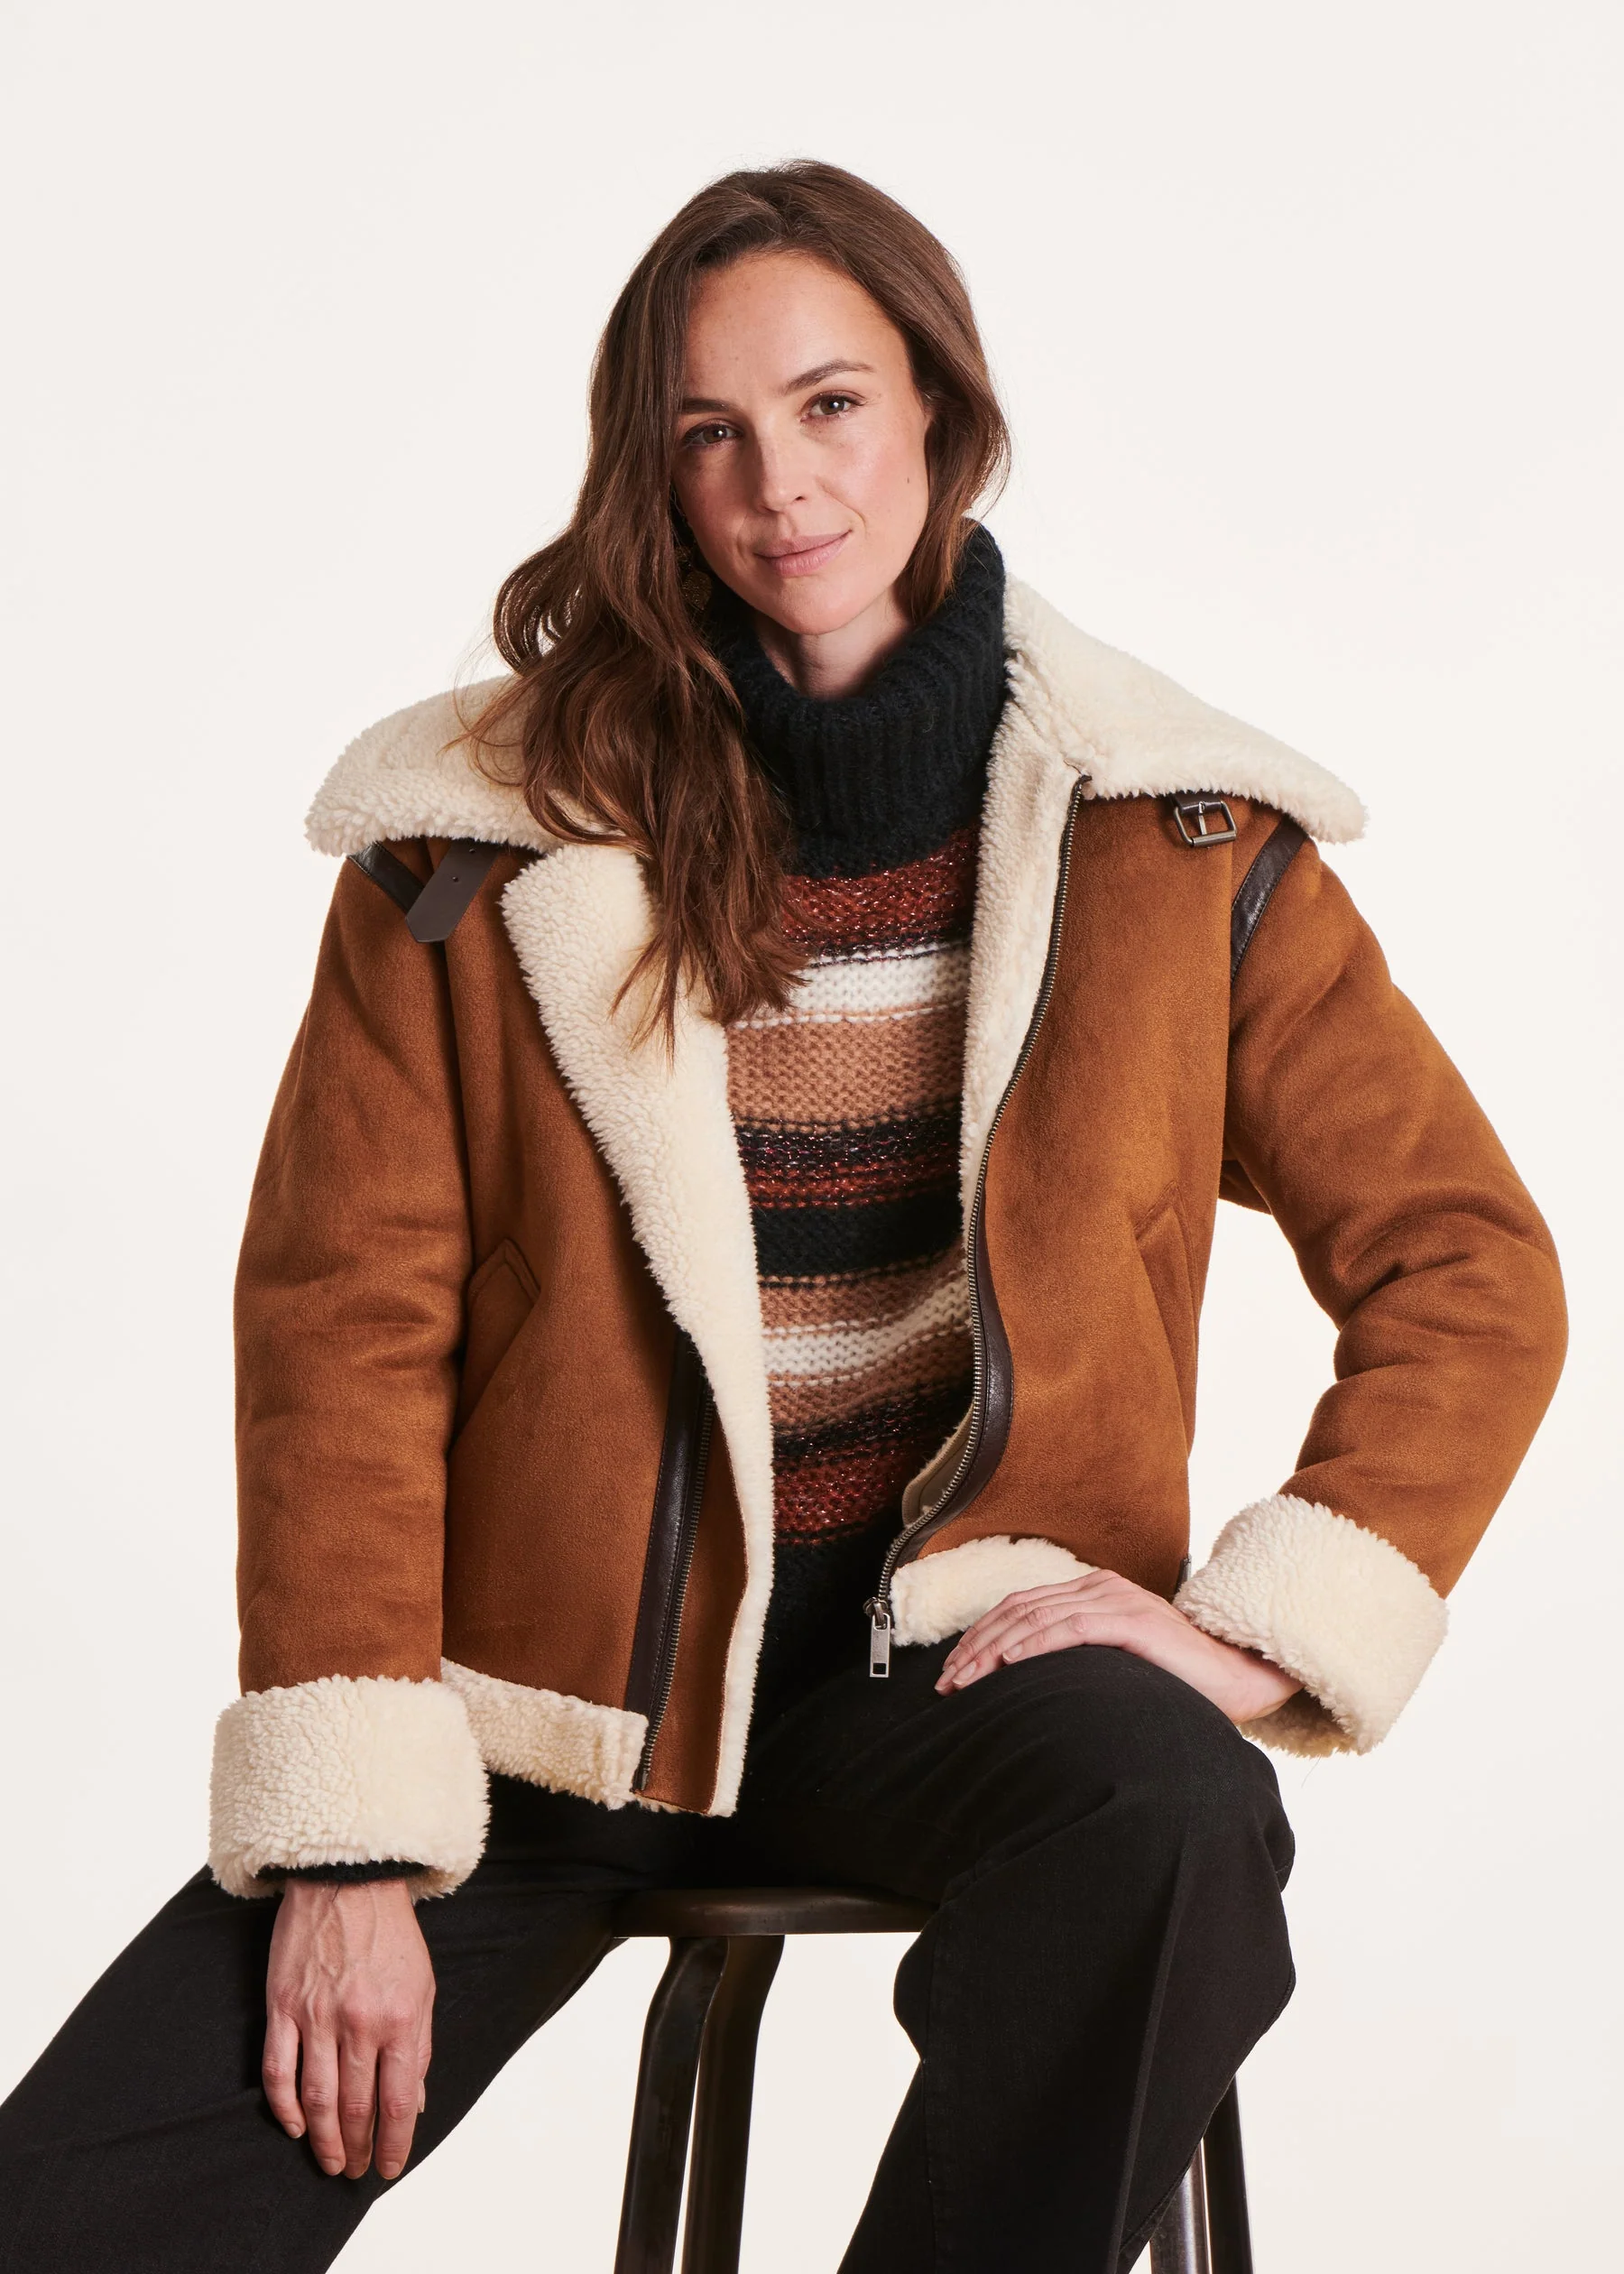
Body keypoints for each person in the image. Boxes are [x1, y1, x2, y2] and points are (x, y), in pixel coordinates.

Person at [0, 160, 1565, 2274]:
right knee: (70, 2209)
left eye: (830, 406)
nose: (780, 487)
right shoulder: (470, 850)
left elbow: (1467, 1262)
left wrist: (1247, 1637)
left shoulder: (1179, 841)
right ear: (650, 474)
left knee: (1175, 1810)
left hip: (948, 1676)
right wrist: (349, 1847)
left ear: (938, 412)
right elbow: (342, 1338)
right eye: (708, 434)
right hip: (548, 1715)